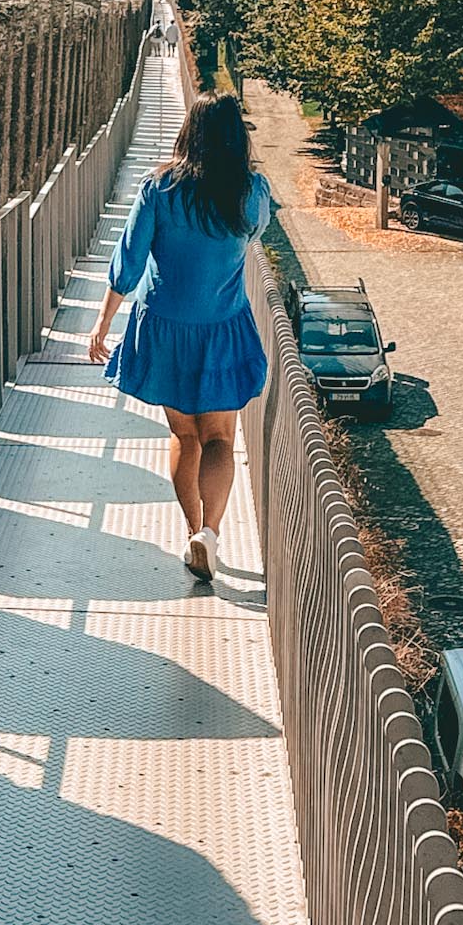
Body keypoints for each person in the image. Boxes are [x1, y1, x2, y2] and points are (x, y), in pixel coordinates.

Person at [86, 92, 271, 581]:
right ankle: (209, 532)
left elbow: (128, 261)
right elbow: (254, 235)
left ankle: (193, 531)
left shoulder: (159, 188)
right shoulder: (251, 192)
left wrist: (104, 322)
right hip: (222, 328)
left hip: (164, 329)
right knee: (219, 441)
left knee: (183, 436)